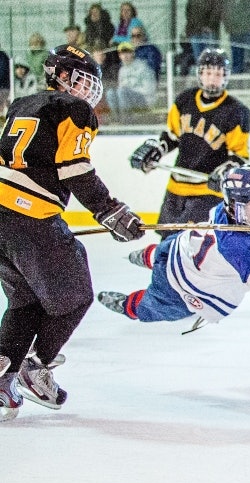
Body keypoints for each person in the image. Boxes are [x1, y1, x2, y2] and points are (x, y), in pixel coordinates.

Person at [0, 44, 145, 418]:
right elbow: (74, 169)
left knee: (25, 302)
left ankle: (2, 379)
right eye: (80, 79)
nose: (87, 91)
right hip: (31, 218)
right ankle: (36, 366)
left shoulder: (21, 103)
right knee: (76, 296)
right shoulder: (75, 109)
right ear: (60, 76)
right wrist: (110, 210)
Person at [97, 165, 250, 325]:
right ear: (234, 205)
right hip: (183, 277)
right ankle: (137, 282)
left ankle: (137, 279)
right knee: (155, 287)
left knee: (157, 277)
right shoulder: (237, 247)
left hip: (180, 267)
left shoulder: (225, 211)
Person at [128, 49, 250, 237]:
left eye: (218, 74)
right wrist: (155, 150)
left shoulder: (236, 111)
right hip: (176, 188)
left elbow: (240, 156)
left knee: (192, 247)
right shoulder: (184, 100)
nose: (213, 79)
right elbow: (171, 137)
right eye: (208, 73)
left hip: (208, 192)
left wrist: (226, 171)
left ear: (226, 76)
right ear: (200, 74)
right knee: (166, 245)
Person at [108, 41, 155, 115]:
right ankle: (117, 118)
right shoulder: (122, 70)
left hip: (144, 100)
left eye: (128, 52)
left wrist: (129, 91)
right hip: (127, 98)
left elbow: (149, 90)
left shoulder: (143, 67)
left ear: (133, 53)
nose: (125, 56)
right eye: (122, 53)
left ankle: (126, 119)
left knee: (123, 91)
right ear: (119, 56)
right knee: (110, 93)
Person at [222, 0, 250, 74]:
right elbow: (224, 11)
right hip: (234, 30)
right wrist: (228, 27)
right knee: (236, 59)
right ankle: (237, 79)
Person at [184, 0, 221, 72]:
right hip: (195, 31)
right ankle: (202, 76)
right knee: (199, 58)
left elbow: (216, 12)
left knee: (211, 57)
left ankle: (211, 76)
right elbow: (189, 14)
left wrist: (210, 26)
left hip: (208, 32)